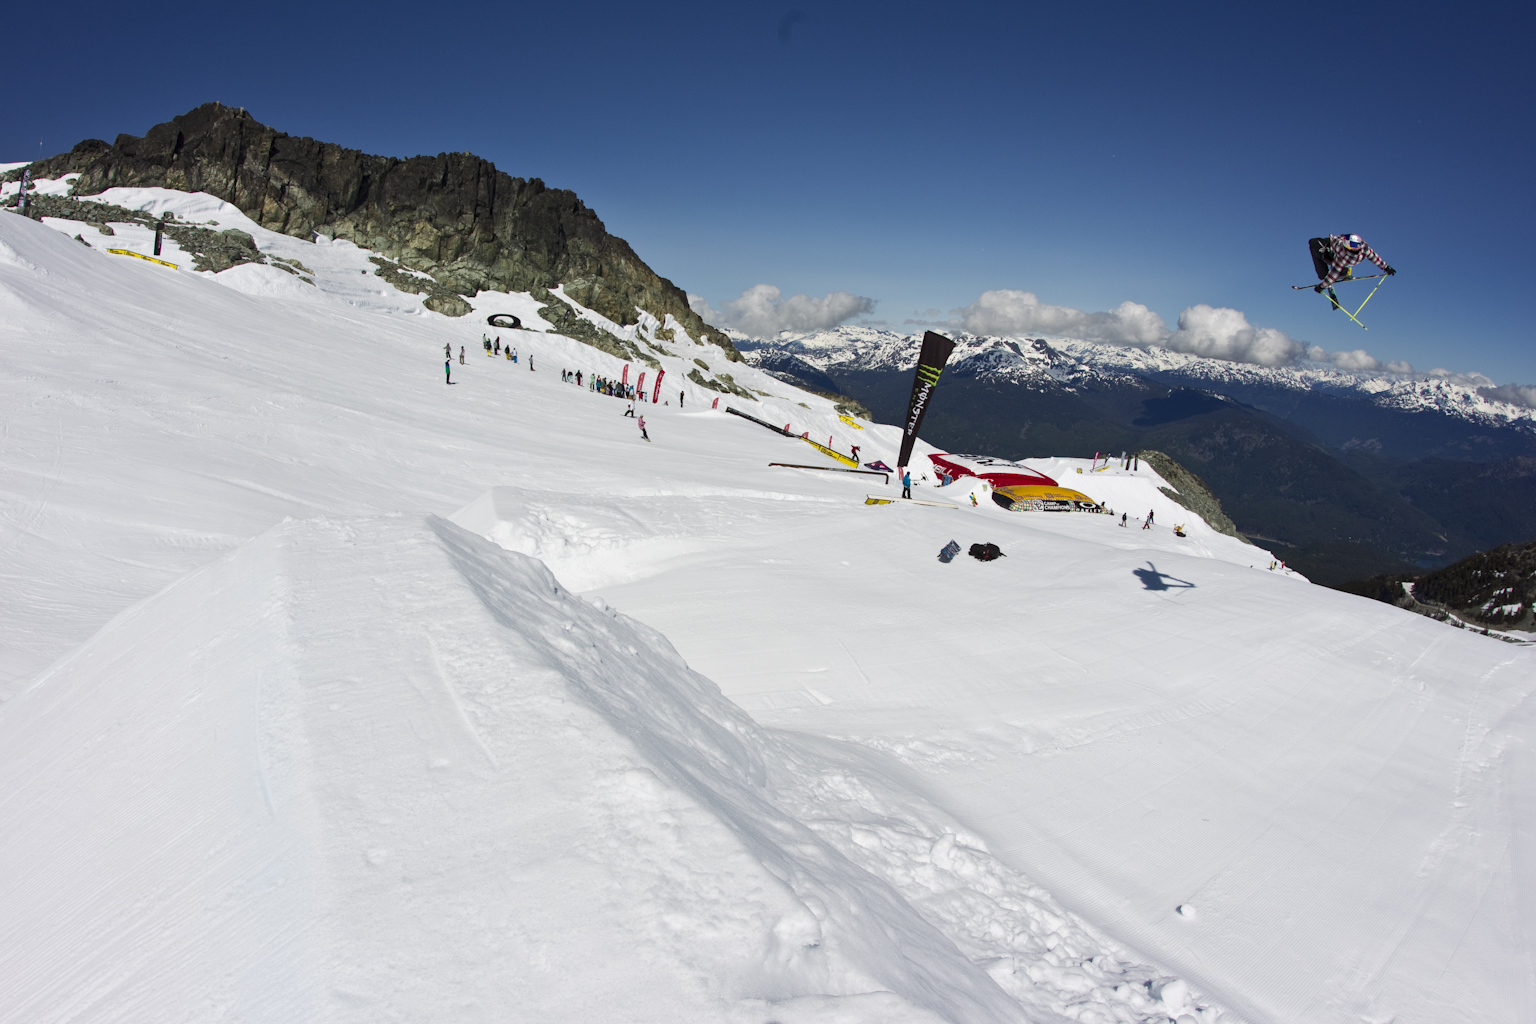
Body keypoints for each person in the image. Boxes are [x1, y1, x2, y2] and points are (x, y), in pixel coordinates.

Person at [1309, 233, 1396, 310]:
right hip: (1343, 258)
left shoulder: (1342, 256)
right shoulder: (1364, 248)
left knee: (1313, 243)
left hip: (1329, 250)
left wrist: (1322, 286)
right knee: (1329, 254)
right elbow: (1374, 257)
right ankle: (1344, 271)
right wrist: (1386, 267)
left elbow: (1334, 273)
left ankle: (1331, 273)